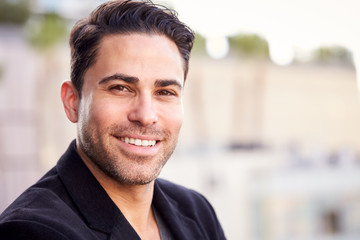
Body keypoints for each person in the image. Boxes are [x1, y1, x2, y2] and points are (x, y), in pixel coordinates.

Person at [0, 0, 226, 239]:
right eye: (120, 88)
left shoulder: (197, 212)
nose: (146, 115)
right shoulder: (33, 231)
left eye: (165, 92)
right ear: (72, 101)